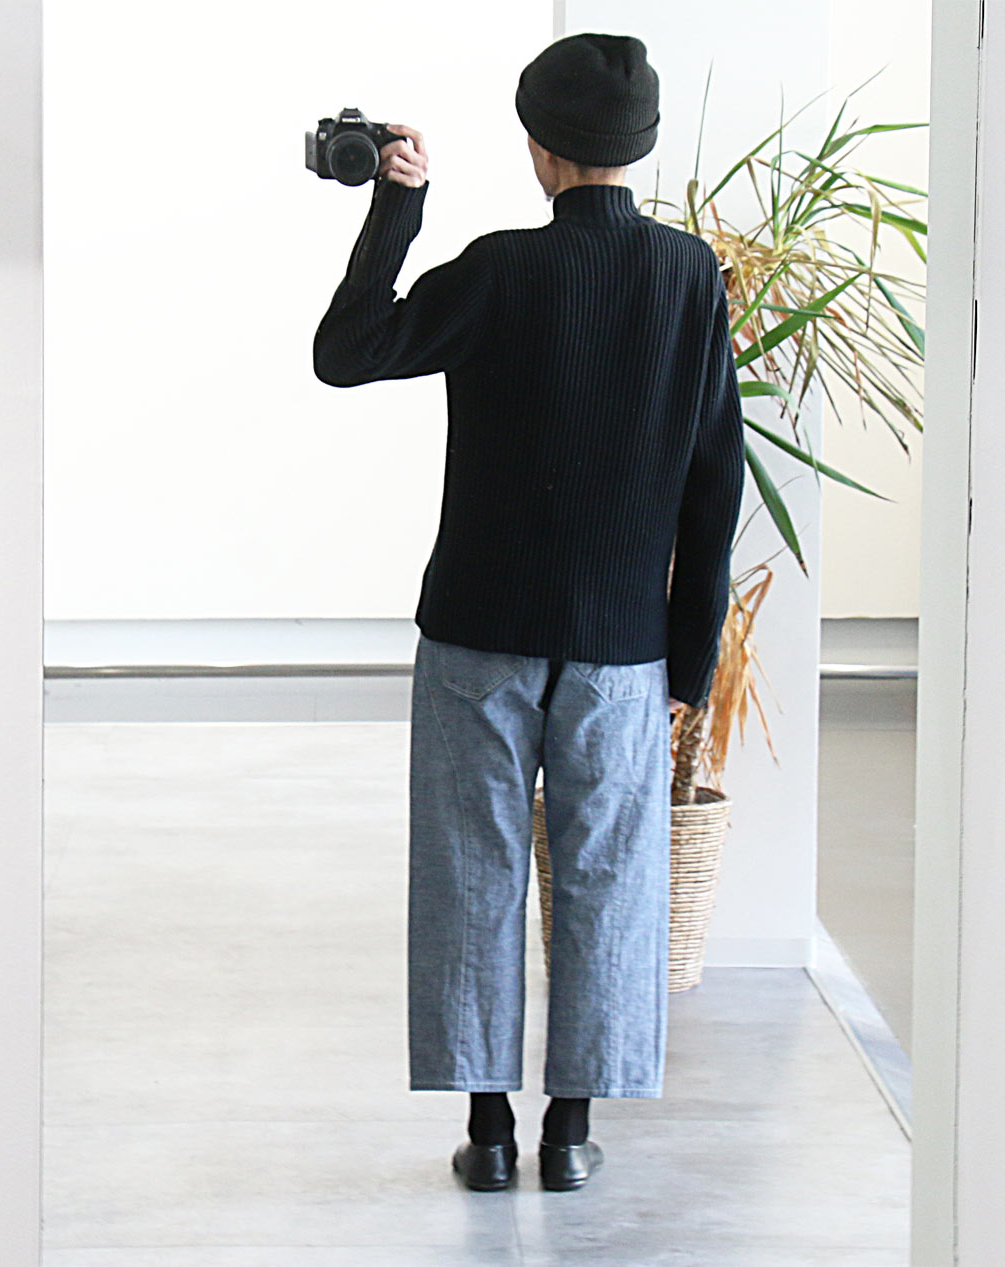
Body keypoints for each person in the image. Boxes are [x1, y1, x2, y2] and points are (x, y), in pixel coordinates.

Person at [312, 32, 744, 1192]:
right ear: (637, 148)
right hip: (621, 650)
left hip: (477, 633)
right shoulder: (687, 276)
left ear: (538, 148)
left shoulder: (500, 270)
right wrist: (689, 665)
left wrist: (396, 208)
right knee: (607, 879)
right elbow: (715, 482)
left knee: (472, 870)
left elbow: (345, 353)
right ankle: (569, 1135)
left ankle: (490, 1134)